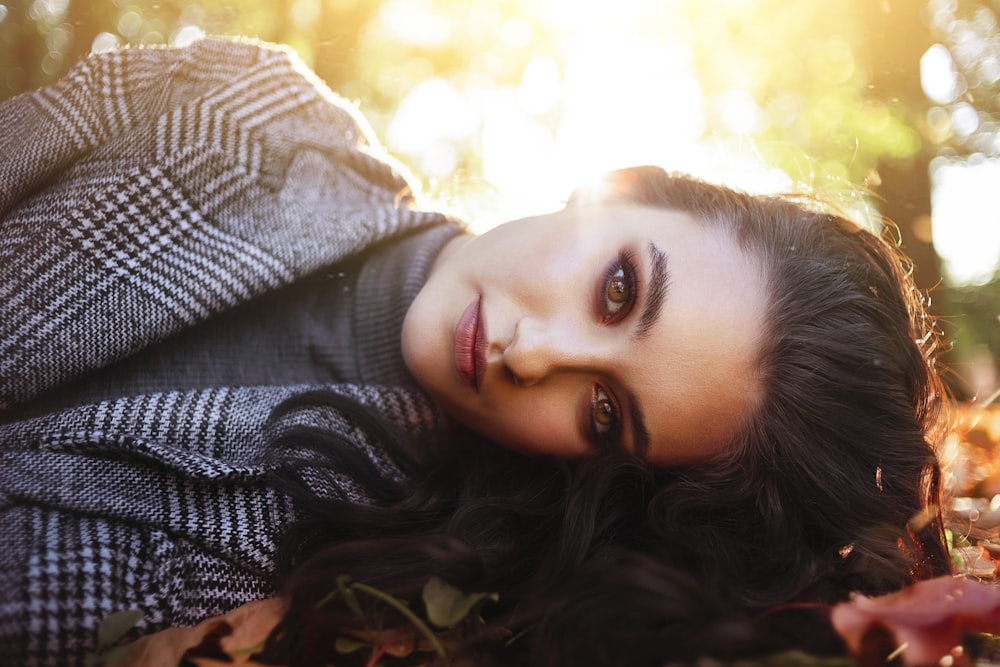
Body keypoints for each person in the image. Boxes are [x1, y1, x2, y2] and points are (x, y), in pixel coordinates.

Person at [0, 37, 950, 666]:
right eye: (617, 289)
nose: (534, 354)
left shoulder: (351, 583)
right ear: (614, 186)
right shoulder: (248, 111)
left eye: (605, 412)